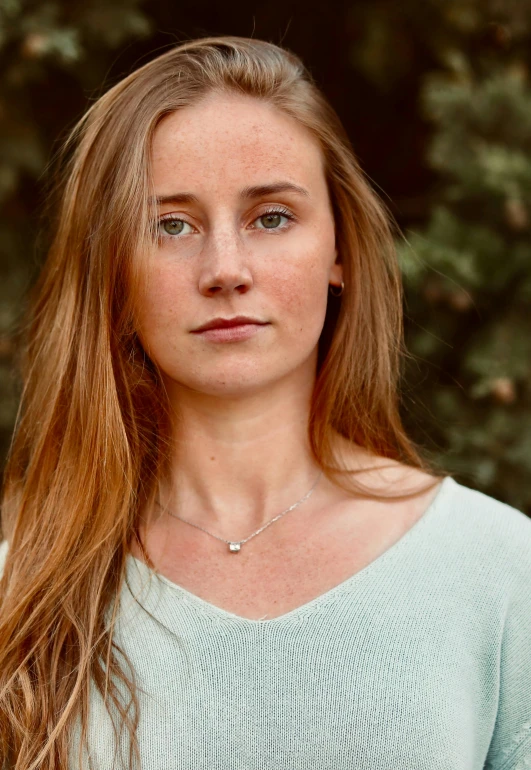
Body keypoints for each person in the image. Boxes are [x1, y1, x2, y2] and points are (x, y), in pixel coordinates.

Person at [0, 35, 529, 770]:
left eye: (271, 217)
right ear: (111, 275)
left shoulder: (497, 570)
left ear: (338, 250)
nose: (224, 269)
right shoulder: (19, 594)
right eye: (171, 225)